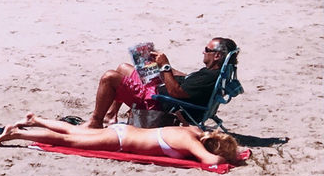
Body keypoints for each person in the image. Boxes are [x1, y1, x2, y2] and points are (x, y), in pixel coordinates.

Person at [84, 37, 237, 128]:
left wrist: (165, 66)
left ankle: (95, 122)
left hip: (157, 102)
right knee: (123, 68)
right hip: (162, 92)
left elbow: (175, 93)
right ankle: (110, 116)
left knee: (109, 77)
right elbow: (187, 80)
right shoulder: (214, 73)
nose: (203, 52)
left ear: (217, 55)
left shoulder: (209, 77)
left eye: (207, 49)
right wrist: (160, 66)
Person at [0, 114, 245, 168]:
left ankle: (35, 119)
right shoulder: (191, 144)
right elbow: (212, 161)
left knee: (74, 132)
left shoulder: (192, 131)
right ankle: (18, 134)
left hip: (122, 130)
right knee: (66, 141)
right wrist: (231, 160)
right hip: (121, 141)